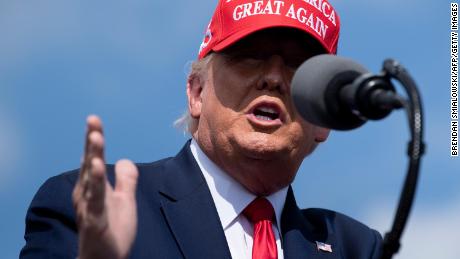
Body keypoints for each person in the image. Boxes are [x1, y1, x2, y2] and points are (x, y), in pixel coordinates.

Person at [21, 0, 382, 258]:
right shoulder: (88, 207)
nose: (273, 77)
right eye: (250, 56)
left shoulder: (356, 248)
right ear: (196, 92)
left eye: (298, 66)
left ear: (323, 118)